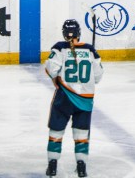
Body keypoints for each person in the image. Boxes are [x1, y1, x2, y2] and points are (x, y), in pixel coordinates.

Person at [43, 18, 104, 178]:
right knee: (81, 135)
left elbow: (51, 68)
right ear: (79, 33)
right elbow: (98, 77)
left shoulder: (60, 48)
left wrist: (56, 79)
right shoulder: (91, 50)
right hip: (85, 99)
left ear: (64, 33)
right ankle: (82, 167)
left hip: (64, 98)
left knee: (56, 132)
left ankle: (52, 167)